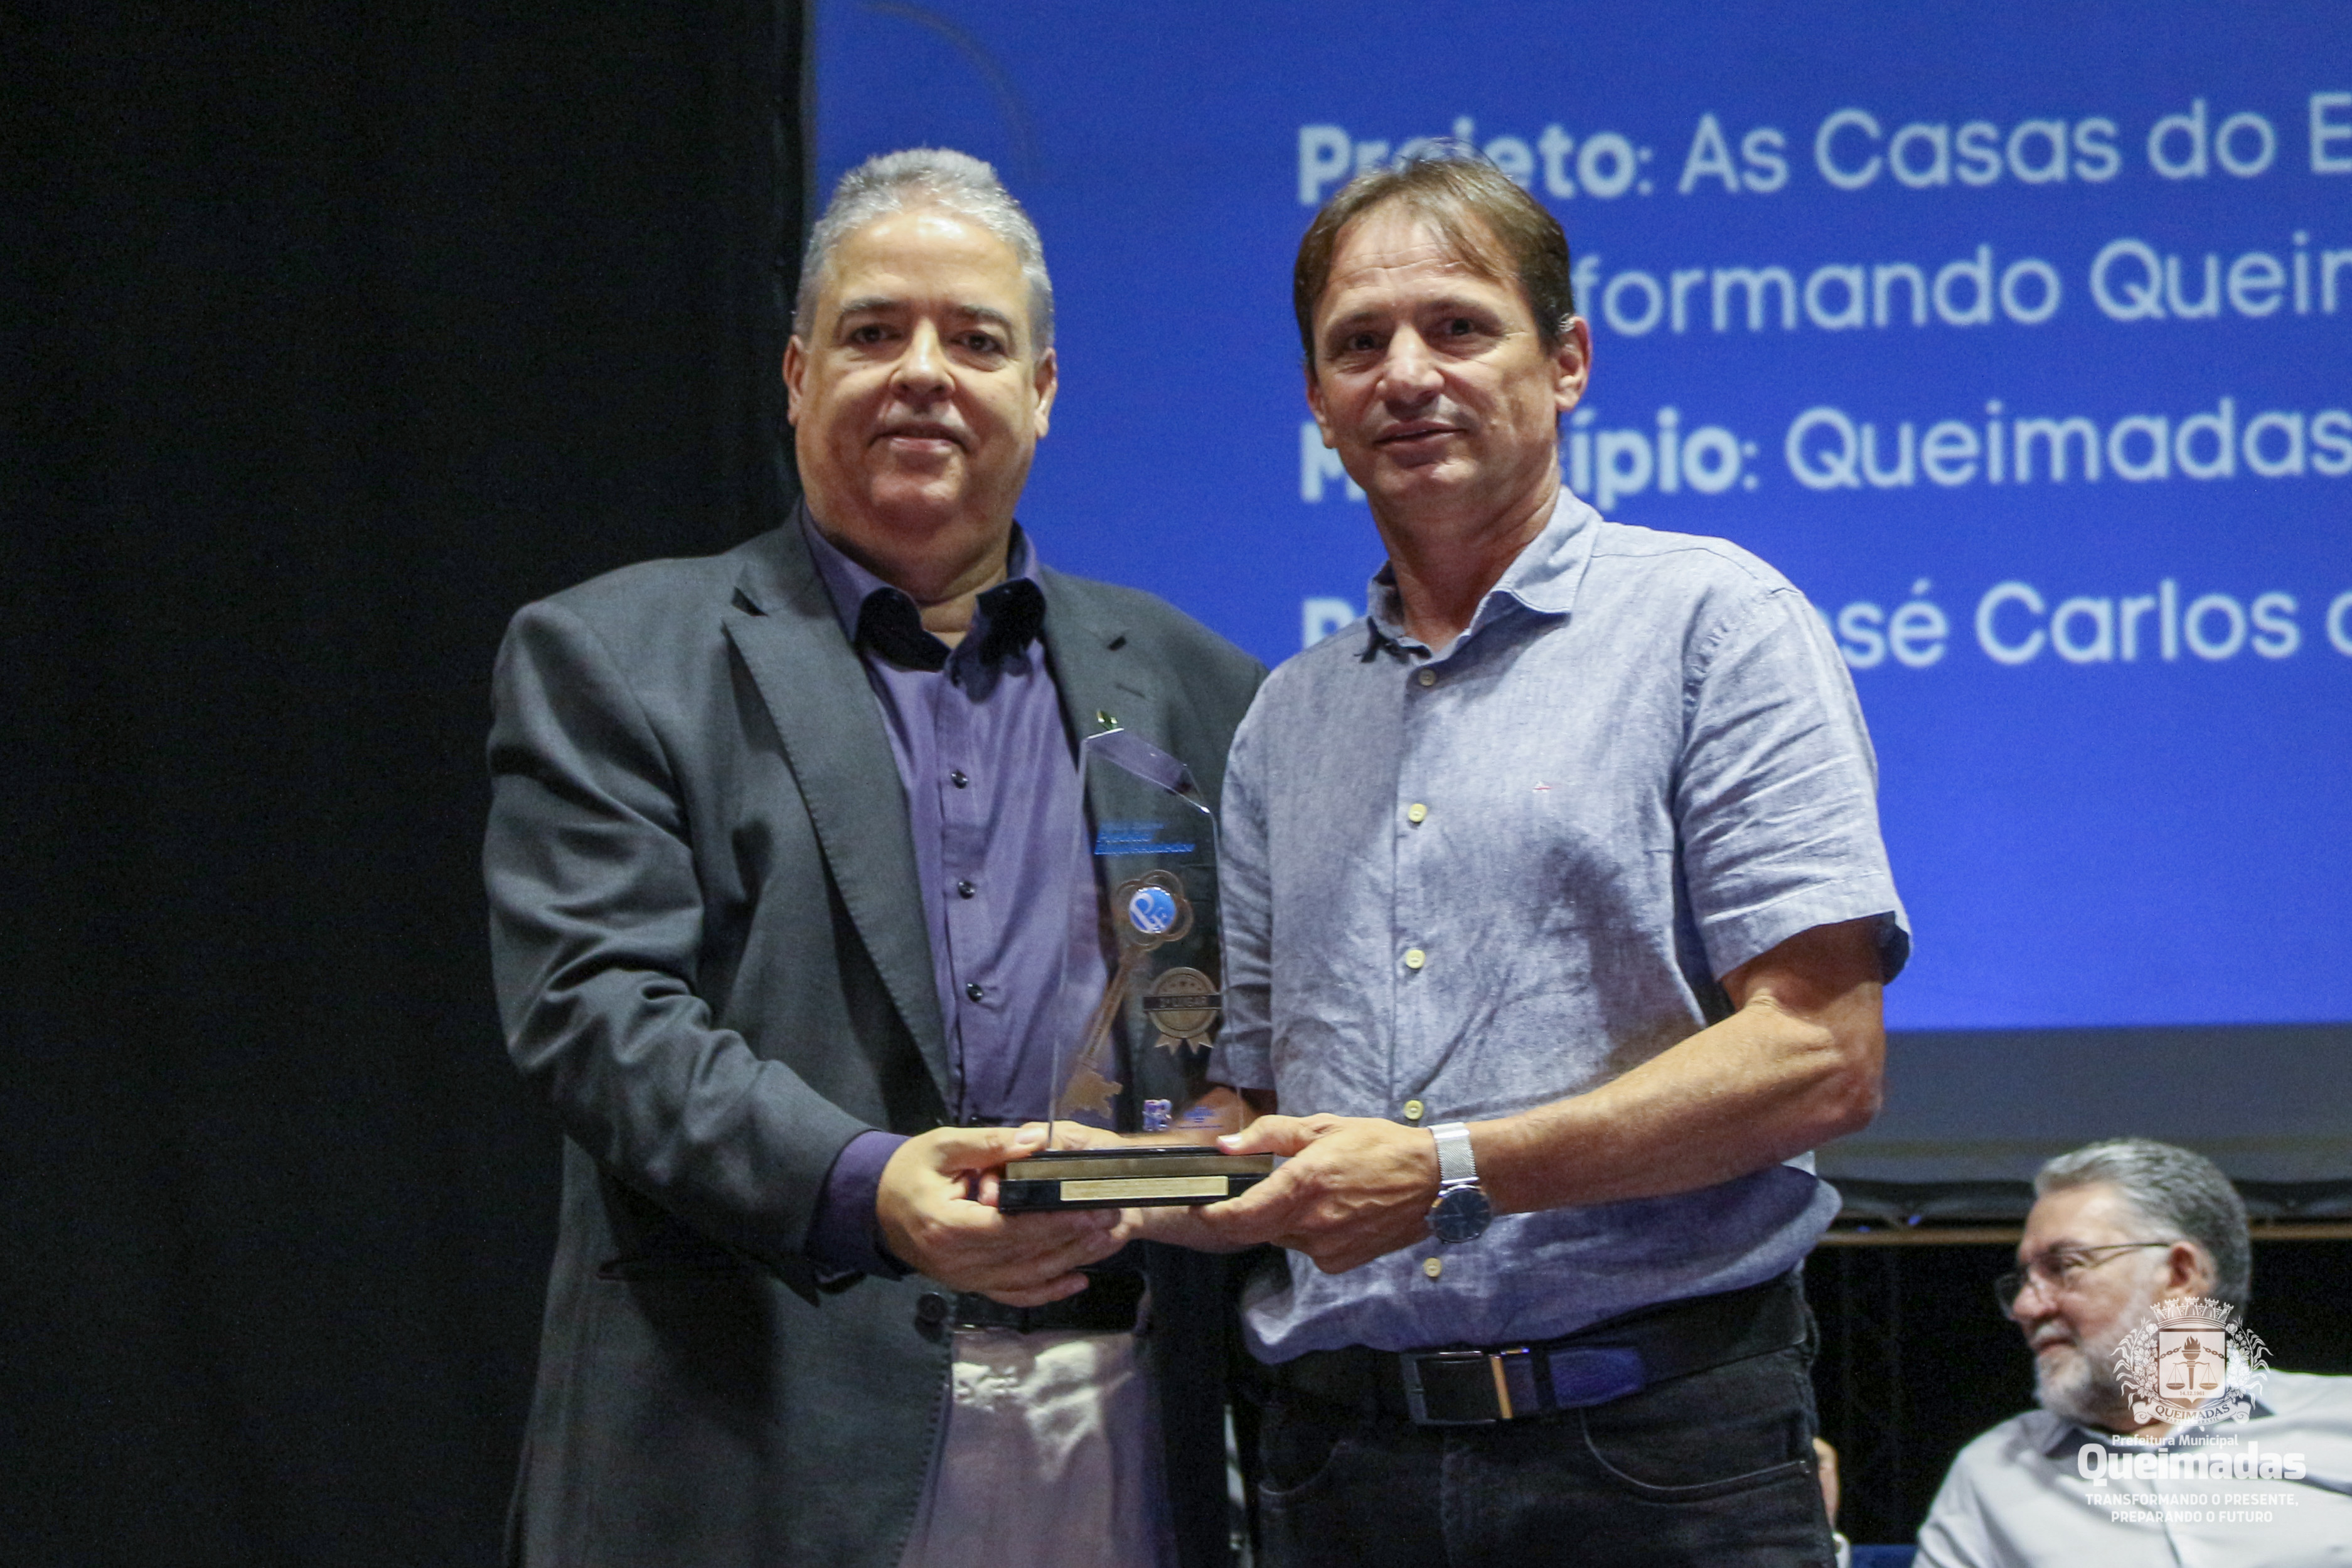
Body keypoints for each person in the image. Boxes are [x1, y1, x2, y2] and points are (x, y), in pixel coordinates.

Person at [484, 148, 1262, 1568]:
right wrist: (867, 1186)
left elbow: (1259, 1027)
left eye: (975, 341)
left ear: (1042, 389)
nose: (922, 373)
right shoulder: (616, 657)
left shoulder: (1202, 684)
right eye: (872, 332)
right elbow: (595, 1015)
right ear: (796, 376)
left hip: (1128, 1427)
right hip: (761, 1444)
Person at [1137, 147, 1908, 1566]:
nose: (1405, 374)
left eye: (1456, 325)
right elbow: (1256, 1107)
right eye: (1357, 344)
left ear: (1565, 362)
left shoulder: (1716, 626)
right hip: (1338, 1467)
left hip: (1654, 1458)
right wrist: (1107, 1176)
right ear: (1316, 403)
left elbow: (1820, 1056)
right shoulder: (1282, 721)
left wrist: (1445, 1169)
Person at [1915, 1138, 2352, 1566]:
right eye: (2025, 1280)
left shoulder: (2339, 1424)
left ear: (2179, 1275)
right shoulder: (1992, 1475)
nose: (2026, 1307)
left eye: (2064, 1267)